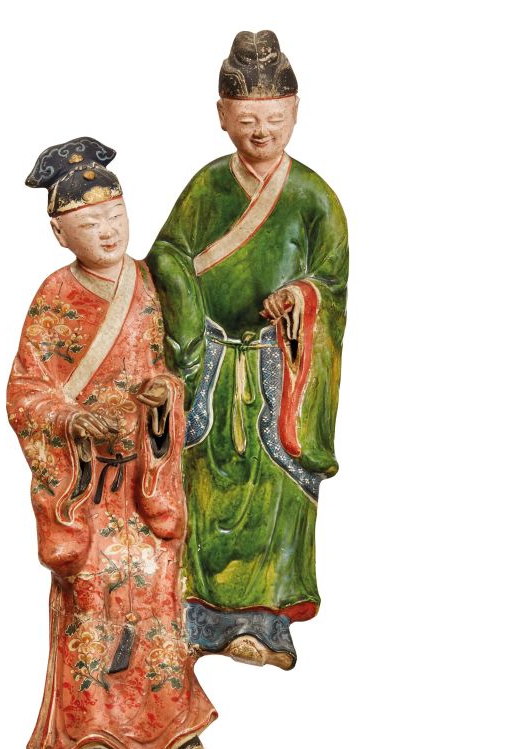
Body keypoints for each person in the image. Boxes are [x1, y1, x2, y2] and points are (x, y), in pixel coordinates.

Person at [8, 137, 216, 749]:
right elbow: (26, 391)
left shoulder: (152, 284)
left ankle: (170, 723)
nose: (107, 231)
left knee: (155, 590)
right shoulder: (55, 295)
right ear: (59, 233)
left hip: (146, 478)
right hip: (87, 487)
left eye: (116, 217)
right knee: (92, 594)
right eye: (90, 222)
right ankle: (90, 730)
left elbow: (181, 366)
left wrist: (164, 396)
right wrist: (74, 420)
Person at [146, 32, 349, 670]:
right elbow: (167, 256)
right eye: (247, 119)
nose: (261, 131)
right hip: (209, 362)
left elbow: (333, 284)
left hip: (276, 368)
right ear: (222, 116)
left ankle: (266, 625)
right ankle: (199, 618)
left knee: (275, 493)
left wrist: (301, 298)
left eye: (275, 119)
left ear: (295, 112)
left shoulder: (315, 198)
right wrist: (188, 317)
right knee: (203, 483)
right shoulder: (208, 186)